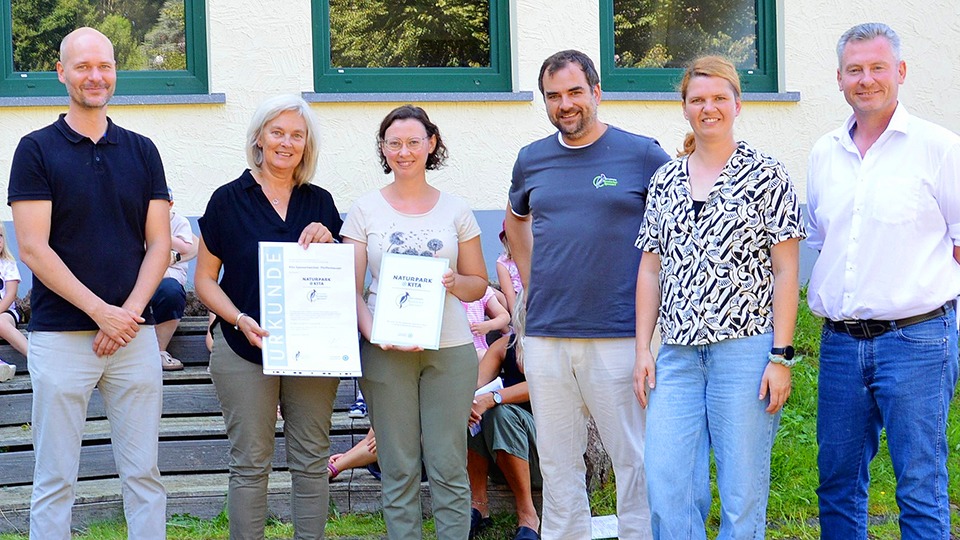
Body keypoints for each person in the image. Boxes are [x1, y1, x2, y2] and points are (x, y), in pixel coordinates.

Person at [8, 27, 170, 540]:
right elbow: (33, 247)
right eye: (82, 67)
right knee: (55, 480)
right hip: (60, 339)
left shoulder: (143, 151)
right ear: (62, 73)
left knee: (144, 476)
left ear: (115, 71)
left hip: (133, 339)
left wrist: (127, 316)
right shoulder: (34, 150)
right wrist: (103, 312)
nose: (94, 76)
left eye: (104, 65)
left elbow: (160, 245)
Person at [633, 56, 804, 539]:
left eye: (718, 98)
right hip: (679, 356)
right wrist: (643, 349)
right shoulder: (665, 180)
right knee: (668, 483)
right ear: (684, 108)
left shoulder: (767, 175)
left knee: (741, 492)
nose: (708, 108)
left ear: (737, 104)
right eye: (697, 100)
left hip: (746, 352)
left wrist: (781, 356)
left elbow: (787, 269)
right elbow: (650, 268)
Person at [503, 49, 670, 539]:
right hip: (547, 336)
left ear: (597, 92)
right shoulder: (531, 160)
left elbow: (673, 230)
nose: (565, 104)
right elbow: (515, 221)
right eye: (553, 96)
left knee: (632, 459)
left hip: (620, 335)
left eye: (575, 92)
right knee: (557, 463)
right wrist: (533, 285)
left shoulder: (642, 155)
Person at [806, 23, 960, 540]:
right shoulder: (824, 152)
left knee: (919, 485)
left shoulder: (939, 148)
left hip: (918, 338)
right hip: (841, 345)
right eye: (855, 70)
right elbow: (824, 240)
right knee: (838, 484)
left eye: (877, 67)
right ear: (839, 78)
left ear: (900, 72)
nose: (865, 79)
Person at [195, 94, 343, 540]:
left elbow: (341, 281)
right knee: (250, 464)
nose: (286, 142)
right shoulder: (226, 200)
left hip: (312, 349)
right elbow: (204, 280)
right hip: (243, 348)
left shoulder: (321, 203)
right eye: (277, 132)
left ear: (307, 144)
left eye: (296, 135)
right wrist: (238, 319)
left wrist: (332, 245)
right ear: (259, 137)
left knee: (312, 459)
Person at [342, 104, 487, 540]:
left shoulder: (457, 210)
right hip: (385, 352)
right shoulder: (364, 210)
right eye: (394, 143)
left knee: (447, 465)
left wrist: (453, 281)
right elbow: (350, 290)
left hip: (450, 350)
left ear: (431, 145)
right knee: (399, 465)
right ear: (383, 149)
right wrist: (376, 334)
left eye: (413, 142)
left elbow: (478, 284)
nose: (404, 151)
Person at [468, 291, 540, 540]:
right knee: (470, 411)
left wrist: (495, 397)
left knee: (501, 414)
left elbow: (540, 384)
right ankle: (479, 504)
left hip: (542, 456)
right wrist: (471, 402)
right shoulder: (504, 347)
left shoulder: (556, 349)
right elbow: (476, 385)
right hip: (500, 456)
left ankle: (528, 514)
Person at [150, 187, 198, 371]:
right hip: (137, 279)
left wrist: (162, 235)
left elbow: (191, 246)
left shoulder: (178, 222)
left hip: (169, 276)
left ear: (170, 205)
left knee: (170, 291)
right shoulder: (137, 218)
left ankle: (158, 351)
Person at [0, 224, 26, 381]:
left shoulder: (7, 264)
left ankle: (34, 357)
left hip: (7, 312)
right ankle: (2, 366)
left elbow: (11, 294)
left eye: (0, 236)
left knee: (0, 323)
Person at [462, 285, 511, 360]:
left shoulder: (483, 291)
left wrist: (489, 325)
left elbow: (505, 316)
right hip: (456, 348)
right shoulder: (446, 291)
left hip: (478, 349)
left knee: (487, 356)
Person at [495, 224, 522, 315]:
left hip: (533, 297)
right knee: (491, 293)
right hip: (515, 301)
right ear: (506, 241)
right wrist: (516, 319)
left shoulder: (534, 256)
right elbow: (509, 293)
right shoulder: (503, 263)